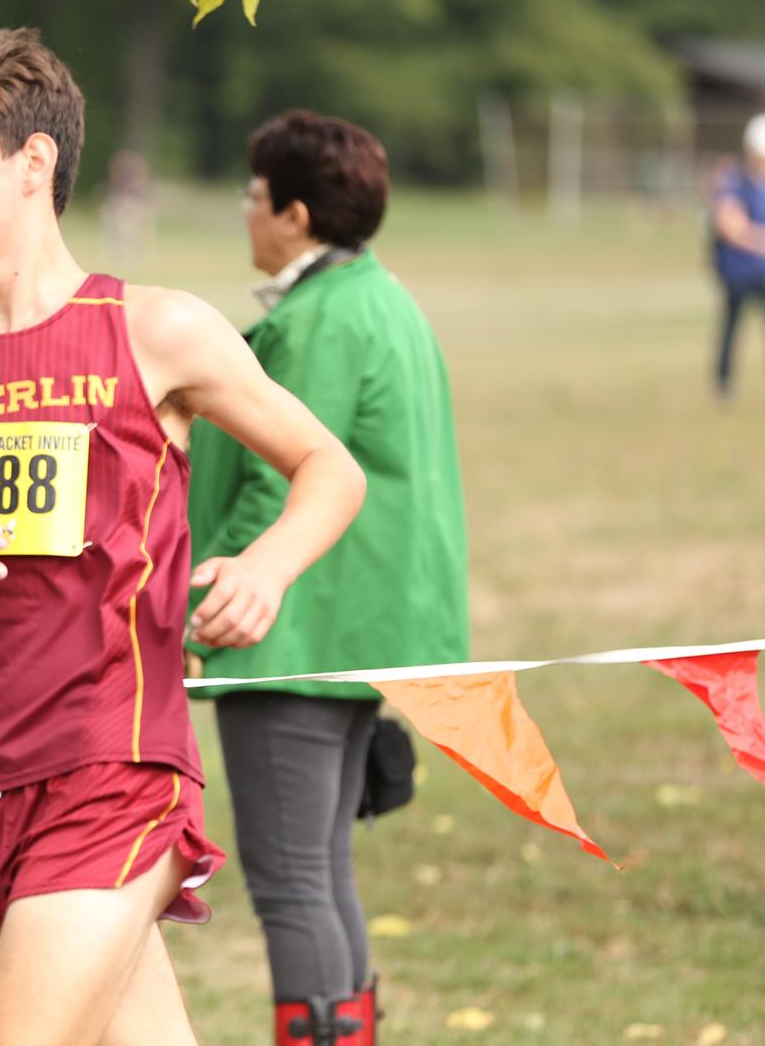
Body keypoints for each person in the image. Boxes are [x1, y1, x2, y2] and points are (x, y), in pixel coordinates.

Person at [0, 30, 366, 1046]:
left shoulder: (155, 330)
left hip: (116, 770)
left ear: (33, 163)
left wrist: (265, 566)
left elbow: (328, 466)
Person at [185, 110, 469, 1046]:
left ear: (295, 215)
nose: (246, 213)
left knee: (291, 880)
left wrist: (182, 605)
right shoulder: (382, 297)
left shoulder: (317, 322)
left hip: (298, 634)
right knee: (323, 868)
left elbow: (275, 491)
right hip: (363, 630)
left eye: (253, 197)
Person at [709, 112, 765, 404]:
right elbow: (730, 226)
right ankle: (723, 384)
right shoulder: (734, 182)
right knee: (732, 325)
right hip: (737, 270)